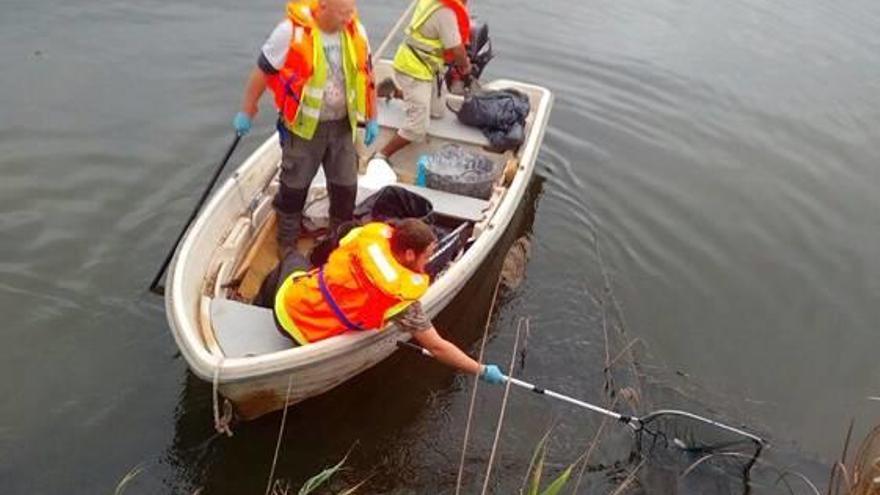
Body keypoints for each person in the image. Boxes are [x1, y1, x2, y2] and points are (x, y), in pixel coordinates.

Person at [264, 218, 506, 385]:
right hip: (309, 336)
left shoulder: (366, 238)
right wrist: (481, 370)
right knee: (297, 262)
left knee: (294, 257)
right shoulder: (401, 300)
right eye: (428, 255)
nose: (428, 262)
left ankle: (259, 301)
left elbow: (344, 238)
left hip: (286, 309)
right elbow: (437, 347)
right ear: (409, 254)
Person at [233, 0, 379, 254]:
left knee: (345, 187)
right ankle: (287, 245)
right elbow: (263, 71)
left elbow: (368, 75)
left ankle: (338, 243)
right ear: (323, 7)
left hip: (343, 127)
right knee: (294, 189)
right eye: (343, 13)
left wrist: (373, 116)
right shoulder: (289, 32)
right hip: (303, 130)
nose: (349, 18)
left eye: (351, 11)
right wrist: (248, 110)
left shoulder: (356, 32)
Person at [373, 0, 472, 163]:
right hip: (413, 67)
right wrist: (465, 65)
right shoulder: (445, 12)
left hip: (430, 65)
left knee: (437, 112)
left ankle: (394, 91)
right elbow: (457, 49)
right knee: (417, 127)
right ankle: (381, 155)